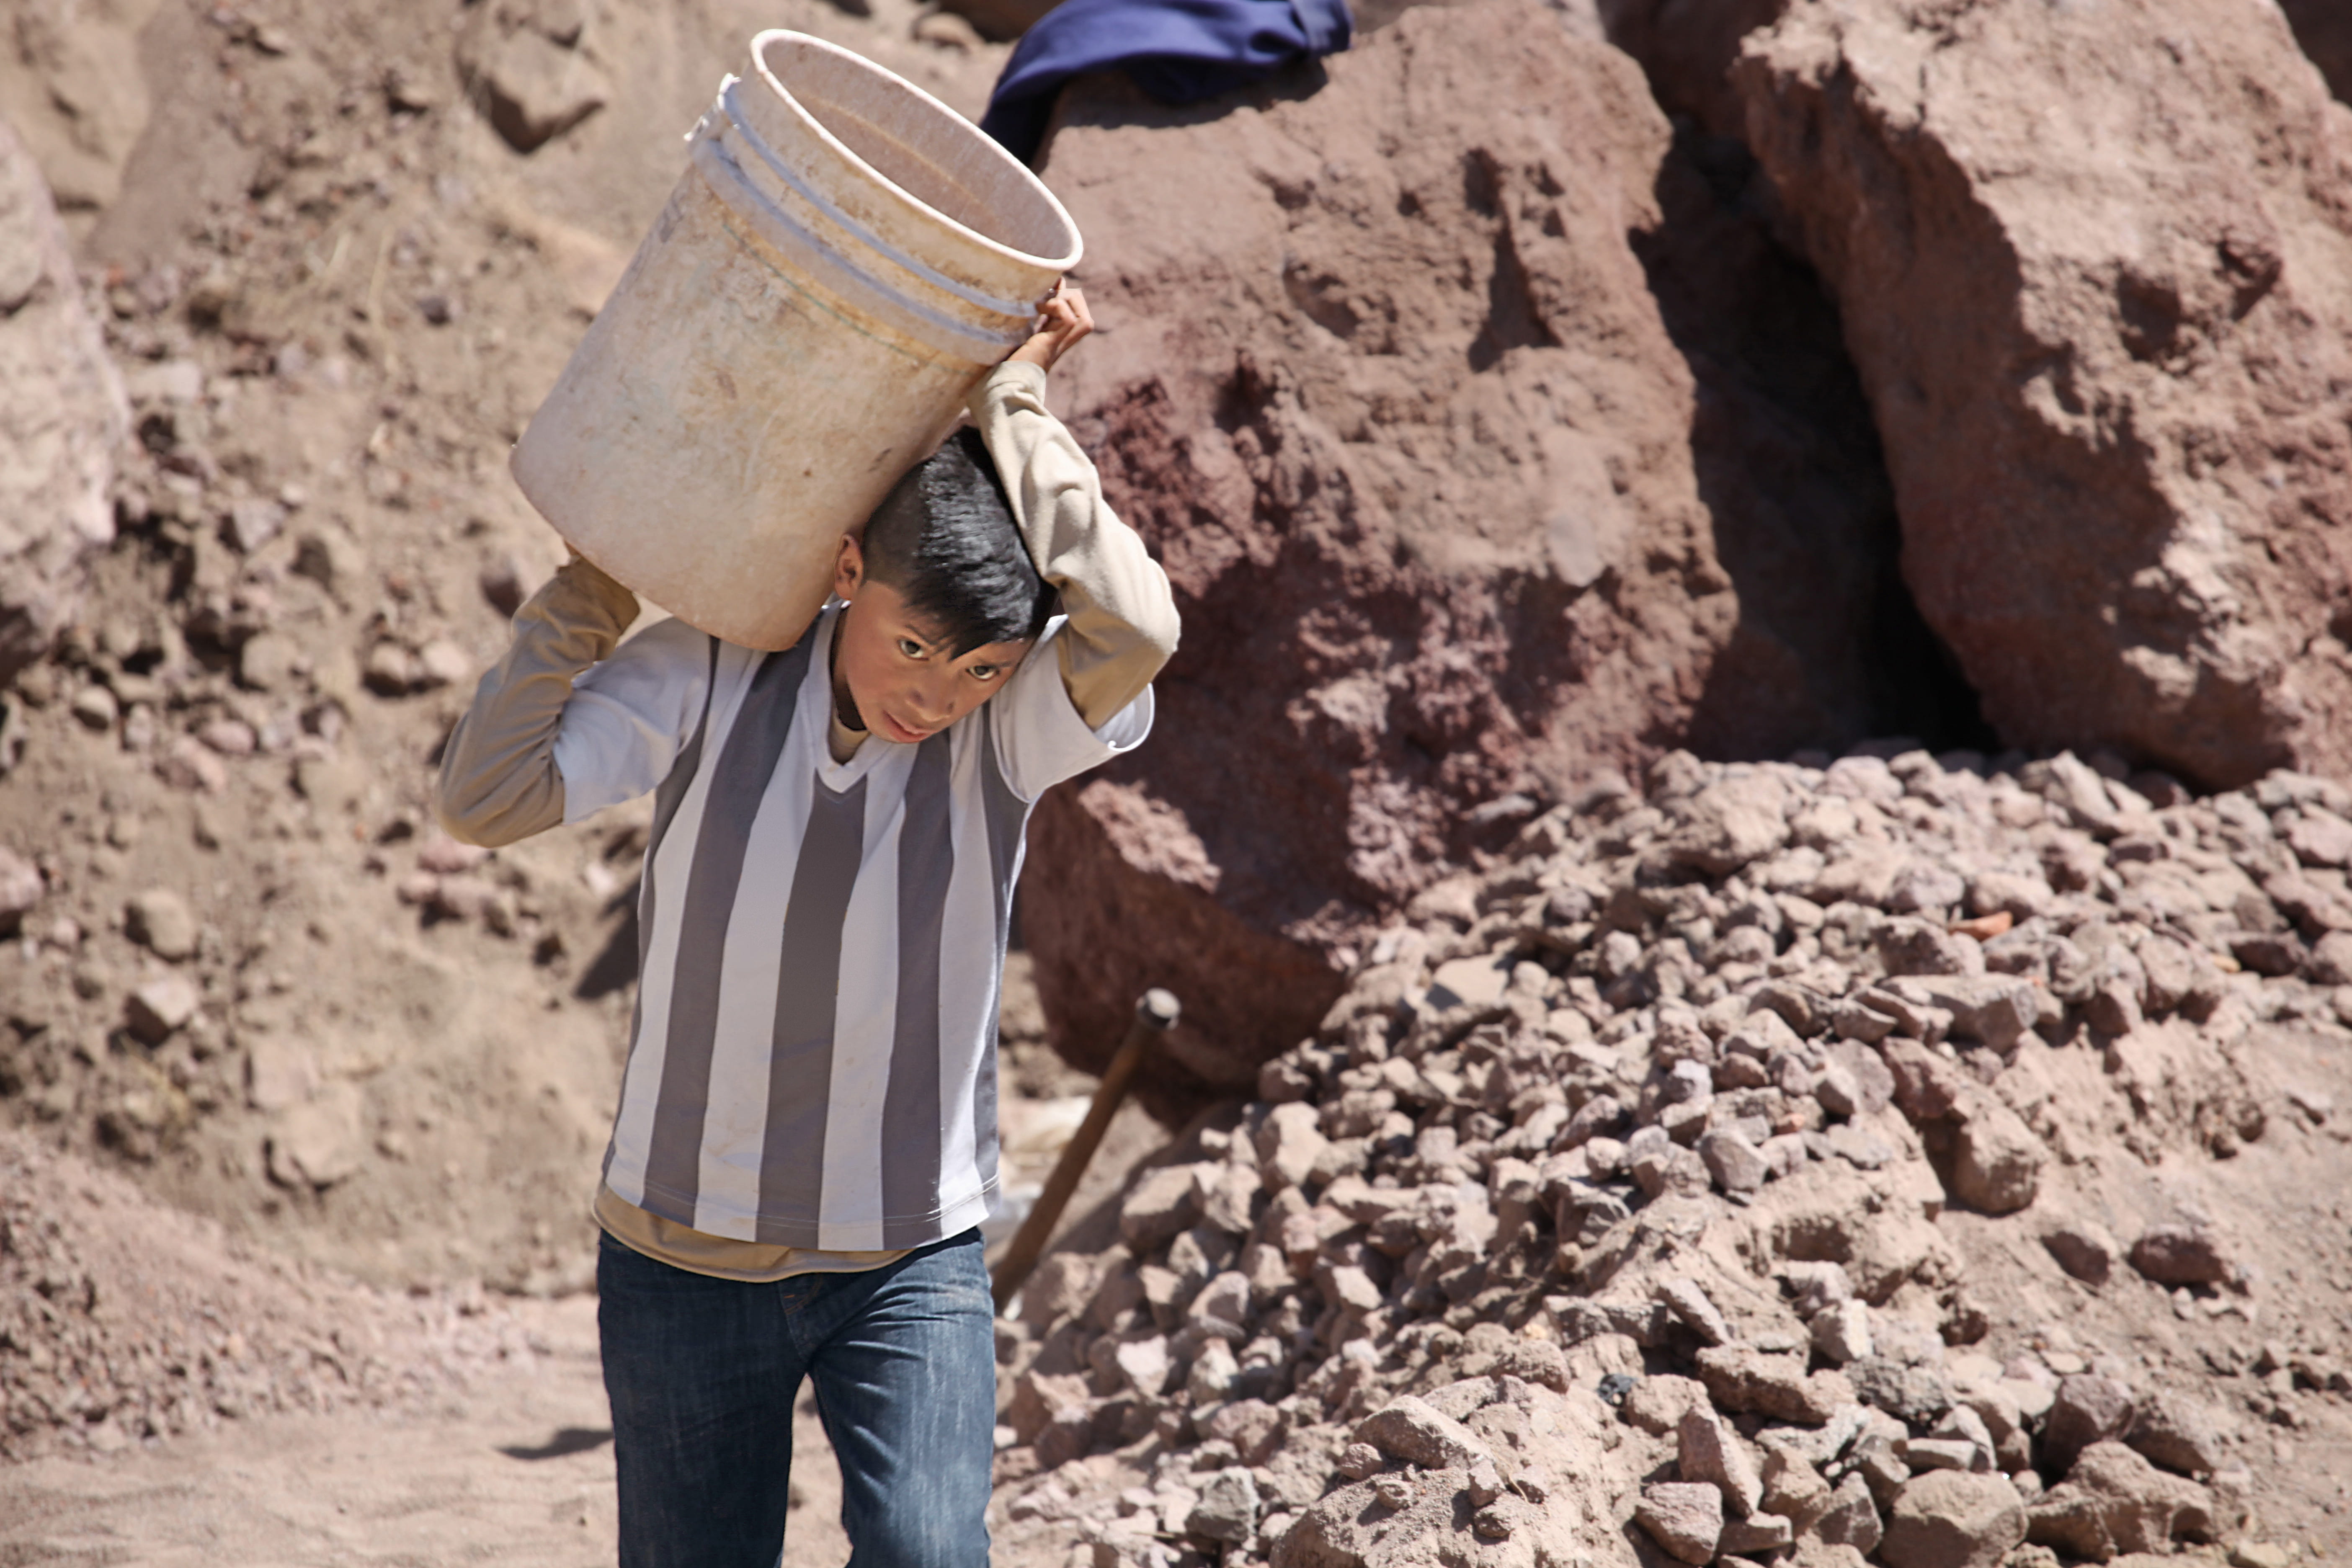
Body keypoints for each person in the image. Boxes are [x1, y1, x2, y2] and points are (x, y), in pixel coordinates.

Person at [435, 286, 1176, 1568]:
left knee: (931, 1554)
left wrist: (1012, 402)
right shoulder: (714, 673)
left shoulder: (1006, 736)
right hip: (681, 1257)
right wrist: (598, 585)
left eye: (981, 669)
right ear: (847, 574)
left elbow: (1142, 625)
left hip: (908, 1255)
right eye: (916, 647)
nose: (935, 698)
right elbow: (485, 798)